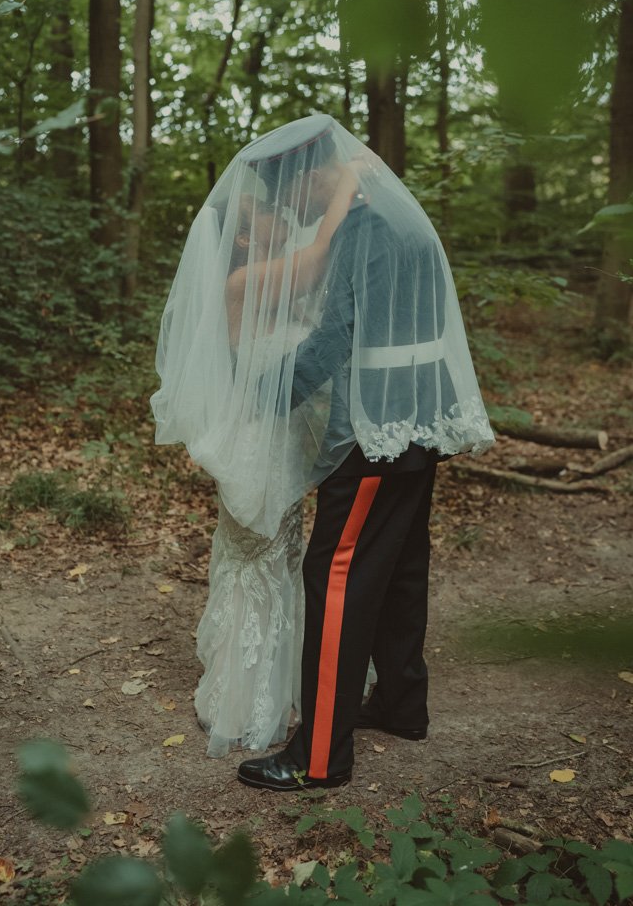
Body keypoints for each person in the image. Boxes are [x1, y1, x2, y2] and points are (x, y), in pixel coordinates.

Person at [230, 115, 495, 791]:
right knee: (401, 567)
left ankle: (318, 756)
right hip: (418, 423)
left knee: (336, 574)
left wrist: (259, 396)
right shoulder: (400, 217)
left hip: (371, 436)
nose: (291, 209)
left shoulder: (363, 226)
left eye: (289, 195)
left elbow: (332, 339)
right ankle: (402, 705)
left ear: (311, 176)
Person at [152, 148, 365, 757]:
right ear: (244, 237)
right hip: (255, 444)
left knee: (281, 555)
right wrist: (348, 179)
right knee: (260, 555)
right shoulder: (244, 283)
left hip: (277, 441)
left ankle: (283, 684)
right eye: (265, 211)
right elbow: (317, 256)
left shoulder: (267, 281)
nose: (280, 213)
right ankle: (243, 699)